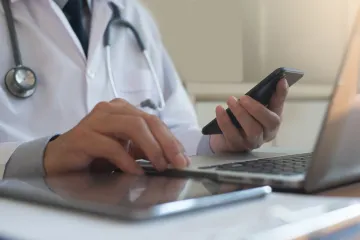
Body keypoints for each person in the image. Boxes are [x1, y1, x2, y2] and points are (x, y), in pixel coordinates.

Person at [0, 0, 288, 179]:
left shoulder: (133, 15)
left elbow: (173, 127)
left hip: (128, 208)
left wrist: (221, 142)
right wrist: (45, 155)